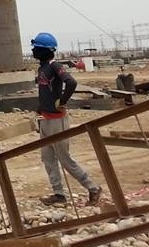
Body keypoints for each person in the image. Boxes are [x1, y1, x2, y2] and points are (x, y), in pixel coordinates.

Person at [31, 32, 102, 207]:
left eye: (36, 48)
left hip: (57, 121)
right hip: (45, 119)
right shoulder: (42, 68)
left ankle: (93, 188)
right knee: (48, 158)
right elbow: (44, 92)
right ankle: (59, 194)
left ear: (46, 51)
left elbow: (71, 83)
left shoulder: (54, 66)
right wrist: (39, 111)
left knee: (65, 159)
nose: (33, 51)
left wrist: (62, 101)